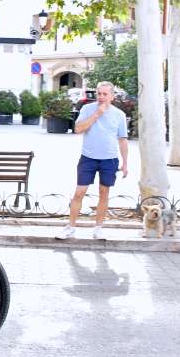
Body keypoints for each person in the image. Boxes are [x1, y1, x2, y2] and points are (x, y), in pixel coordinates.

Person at [57, 81, 129, 240]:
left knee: (104, 193)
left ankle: (98, 228)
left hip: (109, 159)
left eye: (105, 94)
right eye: (99, 93)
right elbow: (78, 129)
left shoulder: (119, 115)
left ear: (112, 96)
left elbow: (123, 139)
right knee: (79, 193)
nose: (101, 97)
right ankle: (71, 227)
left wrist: (125, 163)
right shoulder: (87, 109)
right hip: (88, 158)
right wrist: (97, 114)